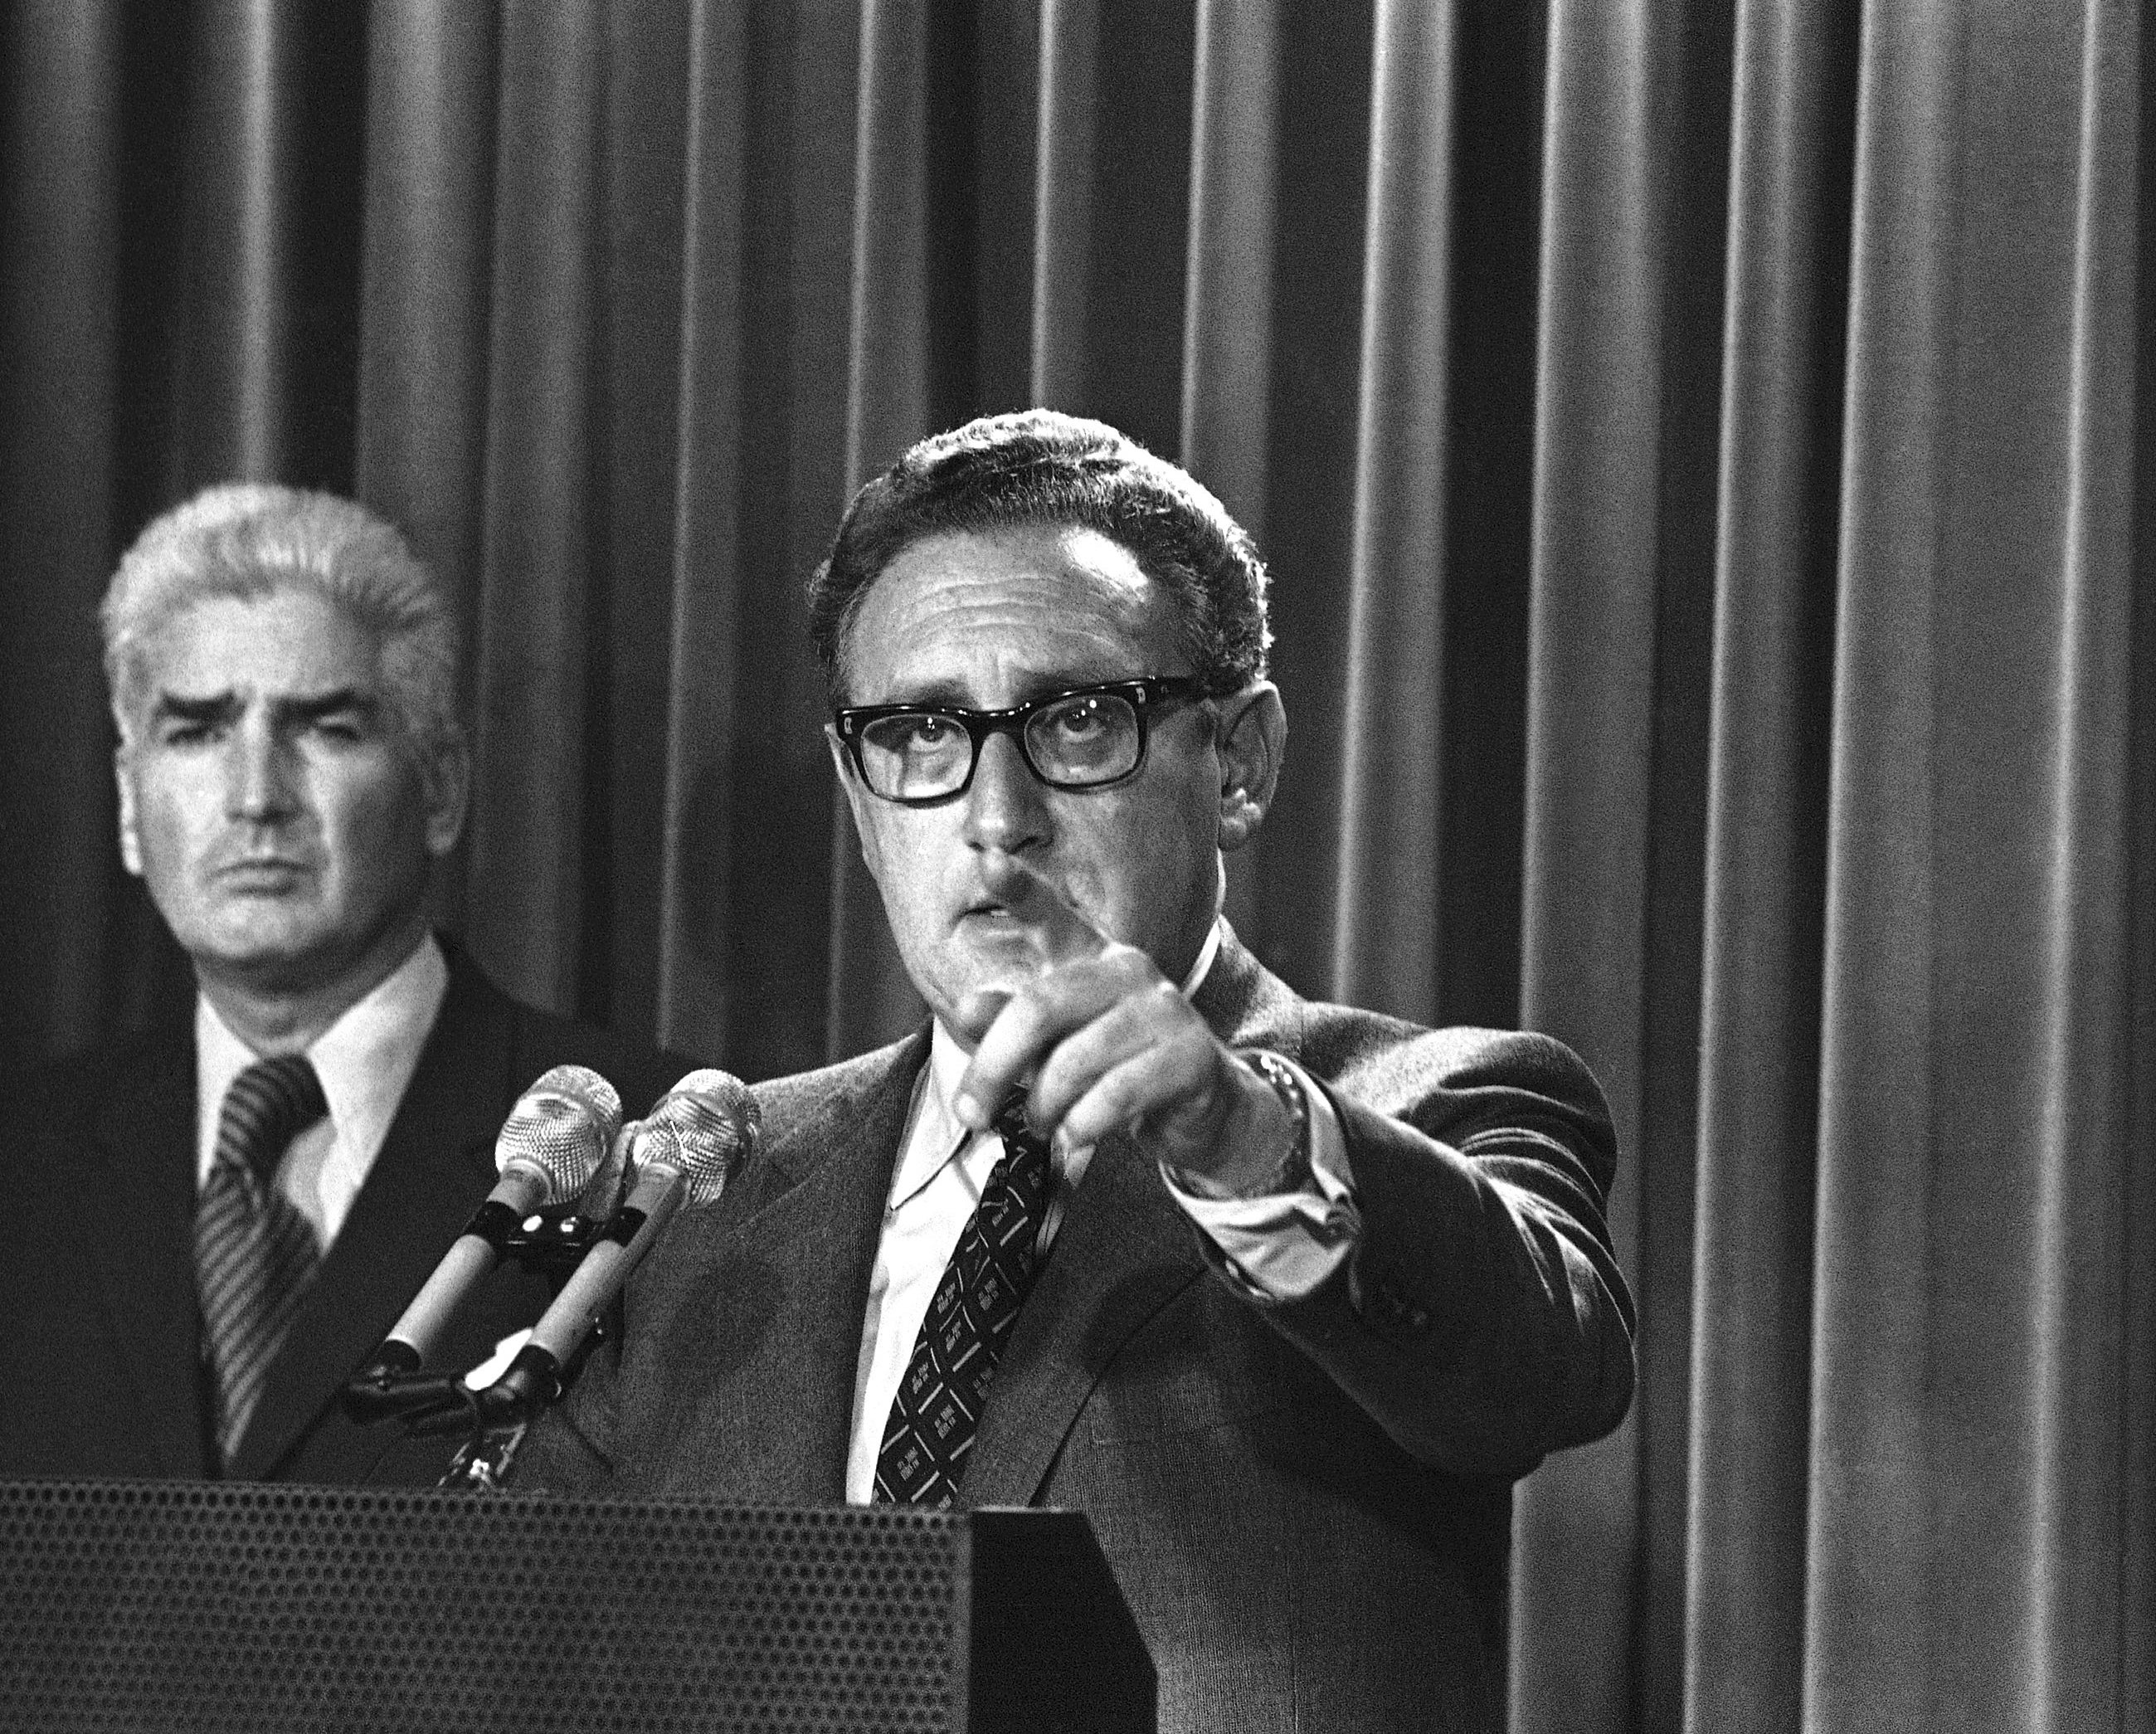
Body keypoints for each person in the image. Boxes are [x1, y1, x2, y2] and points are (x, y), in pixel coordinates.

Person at [517, 412, 1637, 1732]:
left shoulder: (1434, 1100)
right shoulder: (707, 1182)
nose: (997, 815)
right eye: (921, 732)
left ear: (1239, 763)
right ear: (858, 790)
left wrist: (1237, 1134)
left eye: (1078, 720)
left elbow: (1531, 1376)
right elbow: (527, 1637)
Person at [0, 485, 684, 1487]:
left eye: (322, 726)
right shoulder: (25, 1159)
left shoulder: (648, 1151)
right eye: (195, 731)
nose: (255, 797)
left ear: (440, 784)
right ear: (128, 807)